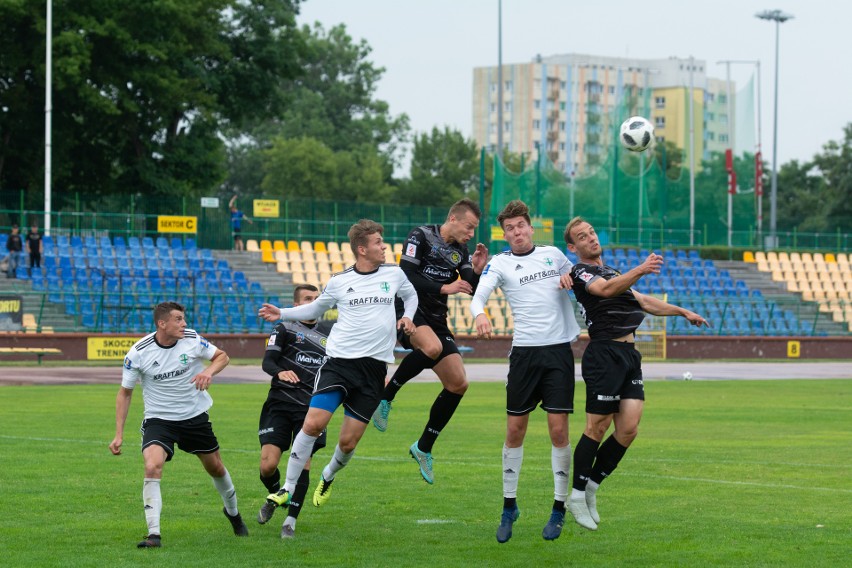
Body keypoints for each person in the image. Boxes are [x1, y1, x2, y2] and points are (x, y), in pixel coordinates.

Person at [258, 219, 417, 516]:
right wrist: (283, 311)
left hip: (373, 371)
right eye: (378, 242)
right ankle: (287, 488)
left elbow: (411, 296)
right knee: (313, 424)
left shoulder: (394, 274)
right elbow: (315, 309)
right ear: (362, 249)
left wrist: (408, 316)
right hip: (339, 364)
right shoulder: (340, 281)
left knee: (347, 443)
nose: (384, 246)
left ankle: (328, 475)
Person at [563, 217, 708, 531]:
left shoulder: (614, 272)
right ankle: (574, 496)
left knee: (628, 428)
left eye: (591, 232)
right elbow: (604, 290)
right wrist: (641, 268)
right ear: (573, 248)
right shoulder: (580, 272)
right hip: (604, 354)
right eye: (581, 237)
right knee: (596, 427)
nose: (590, 238)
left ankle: (591, 486)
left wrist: (683, 312)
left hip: (629, 355)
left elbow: (643, 301)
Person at [469, 200, 582, 543]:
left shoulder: (554, 255)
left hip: (558, 353)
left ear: (531, 228)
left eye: (521, 226)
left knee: (558, 430)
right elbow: (479, 296)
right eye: (510, 228)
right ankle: (508, 506)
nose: (516, 232)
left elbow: (580, 277)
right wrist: (479, 314)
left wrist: (571, 277)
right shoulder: (500, 263)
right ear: (504, 234)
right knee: (515, 430)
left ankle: (558, 508)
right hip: (524, 355)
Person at [109, 301, 249, 548]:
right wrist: (118, 434)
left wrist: (209, 372)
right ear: (162, 324)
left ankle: (233, 513)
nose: (184, 324)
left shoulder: (192, 339)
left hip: (194, 417)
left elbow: (222, 357)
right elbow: (125, 393)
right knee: (152, 466)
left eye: (184, 319)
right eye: (178, 319)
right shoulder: (138, 352)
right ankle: (154, 535)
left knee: (215, 467)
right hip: (159, 420)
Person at [371, 198, 488, 485]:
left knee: (459, 383)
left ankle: (423, 447)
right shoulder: (420, 235)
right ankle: (385, 397)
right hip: (409, 311)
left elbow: (470, 286)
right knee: (432, 348)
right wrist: (443, 287)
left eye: (475, 229)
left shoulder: (460, 250)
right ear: (453, 218)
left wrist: (478, 268)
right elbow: (406, 275)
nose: (471, 234)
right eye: (469, 227)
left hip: (436, 319)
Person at [256, 284, 333, 539]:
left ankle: (290, 522)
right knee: (267, 466)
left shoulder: (330, 333)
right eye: (308, 299)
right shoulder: (284, 327)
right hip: (279, 402)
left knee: (304, 465)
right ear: (296, 305)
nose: (313, 303)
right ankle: (281, 494)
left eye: (316, 299)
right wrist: (280, 371)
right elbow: (268, 362)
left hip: (312, 408)